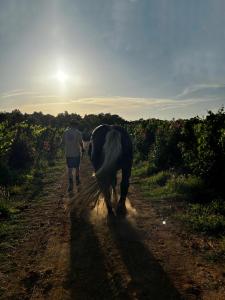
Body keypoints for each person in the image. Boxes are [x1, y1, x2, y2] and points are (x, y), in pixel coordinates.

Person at [62, 120, 85, 192]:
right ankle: (77, 180)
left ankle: (70, 184)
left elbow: (63, 142)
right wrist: (83, 148)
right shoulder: (78, 132)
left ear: (70, 125)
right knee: (77, 167)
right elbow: (81, 142)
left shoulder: (65, 132)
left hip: (68, 153)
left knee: (69, 169)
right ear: (75, 125)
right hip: (76, 153)